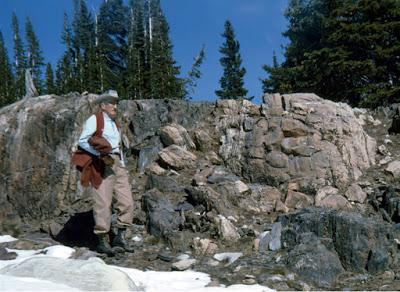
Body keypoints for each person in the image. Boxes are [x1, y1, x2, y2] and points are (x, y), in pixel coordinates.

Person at [77, 91, 134, 255]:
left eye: (116, 103)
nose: (115, 106)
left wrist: (121, 163)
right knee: (103, 201)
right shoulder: (95, 119)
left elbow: (118, 146)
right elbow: (83, 141)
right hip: (101, 163)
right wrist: (99, 155)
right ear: (102, 105)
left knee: (127, 201)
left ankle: (120, 238)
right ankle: (102, 241)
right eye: (111, 103)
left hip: (117, 163)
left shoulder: (114, 124)